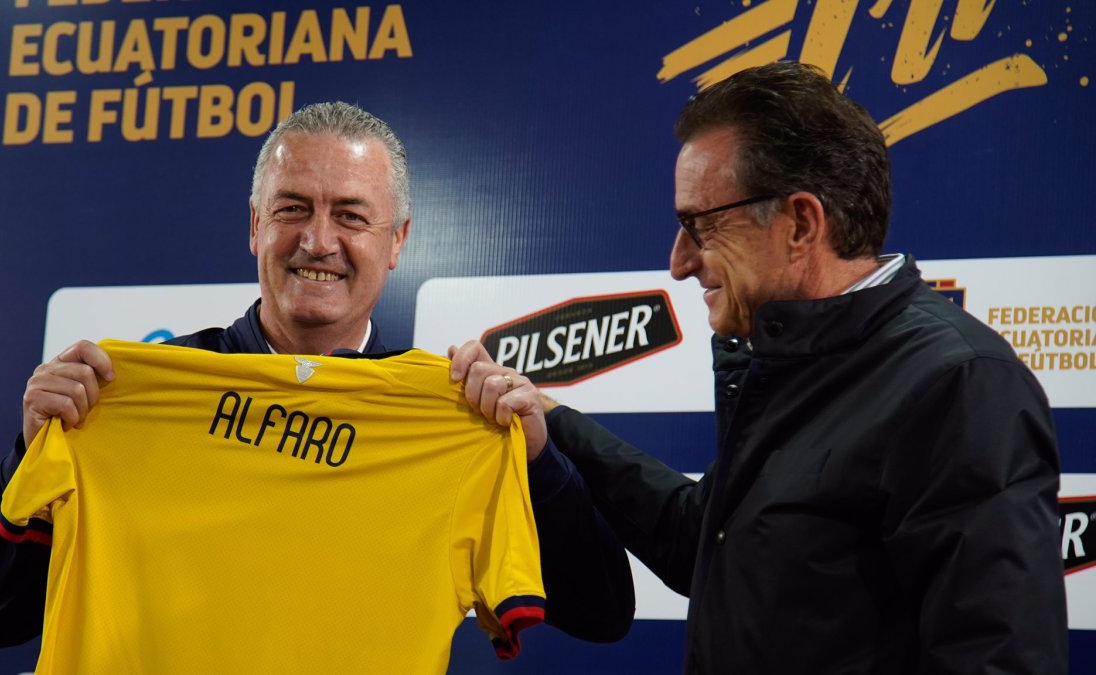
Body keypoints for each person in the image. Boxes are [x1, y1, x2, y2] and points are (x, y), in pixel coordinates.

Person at [451, 61, 1068, 673]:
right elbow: (706, 542)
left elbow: (996, 659)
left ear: (801, 223)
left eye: (701, 226)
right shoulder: (795, 359)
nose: (679, 262)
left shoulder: (959, 384)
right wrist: (551, 426)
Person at [0, 101, 634, 650]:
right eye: (292, 209)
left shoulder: (449, 424)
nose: (318, 241)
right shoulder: (122, 401)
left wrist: (536, 457)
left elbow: (603, 613)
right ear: (255, 227)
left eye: (350, 214)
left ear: (398, 240)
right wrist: (34, 449)